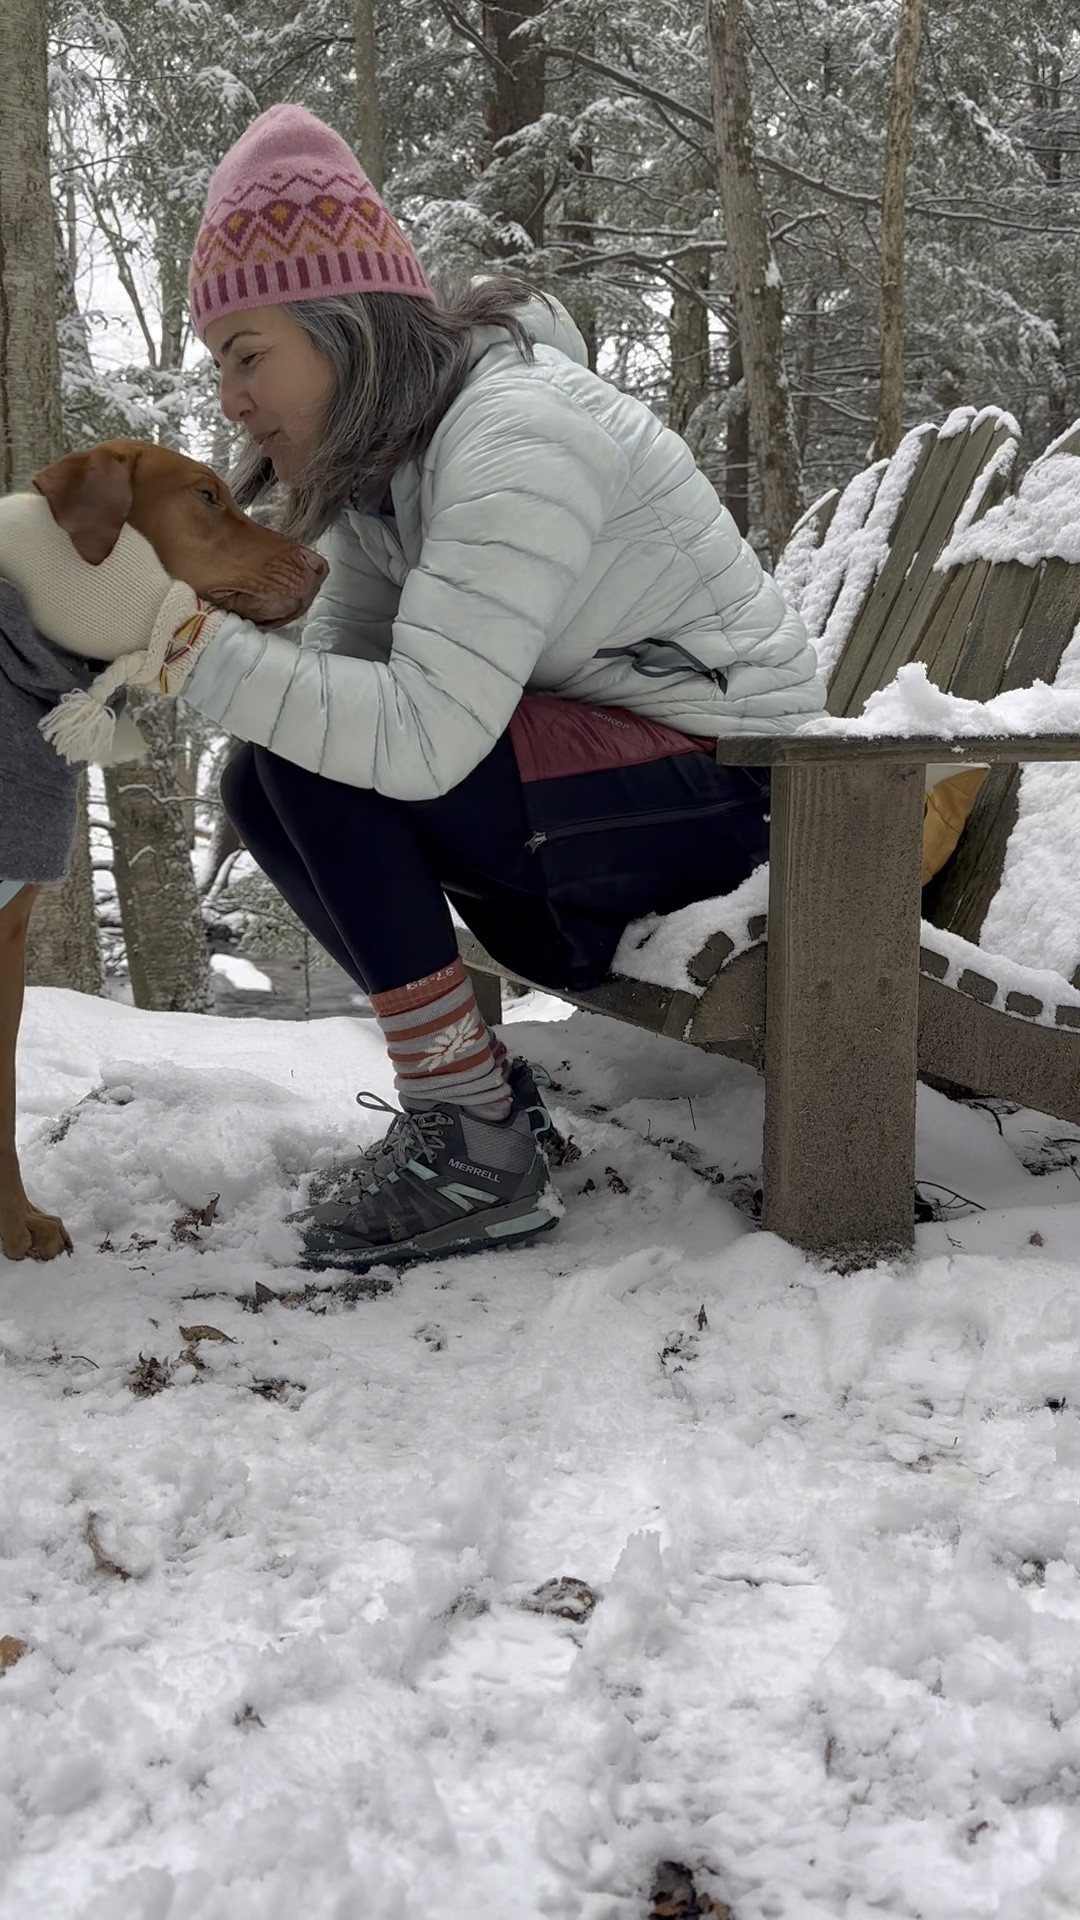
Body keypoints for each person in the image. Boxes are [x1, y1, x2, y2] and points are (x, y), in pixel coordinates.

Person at [22, 104, 825, 1274]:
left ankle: (477, 1141)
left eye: (251, 357)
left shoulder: (517, 437)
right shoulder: (396, 466)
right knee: (266, 775)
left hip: (758, 803)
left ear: (344, 328)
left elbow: (418, 743)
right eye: (224, 367)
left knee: (310, 753)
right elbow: (339, 688)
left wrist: (178, 642)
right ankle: (475, 1102)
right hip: (622, 783)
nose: (234, 400)